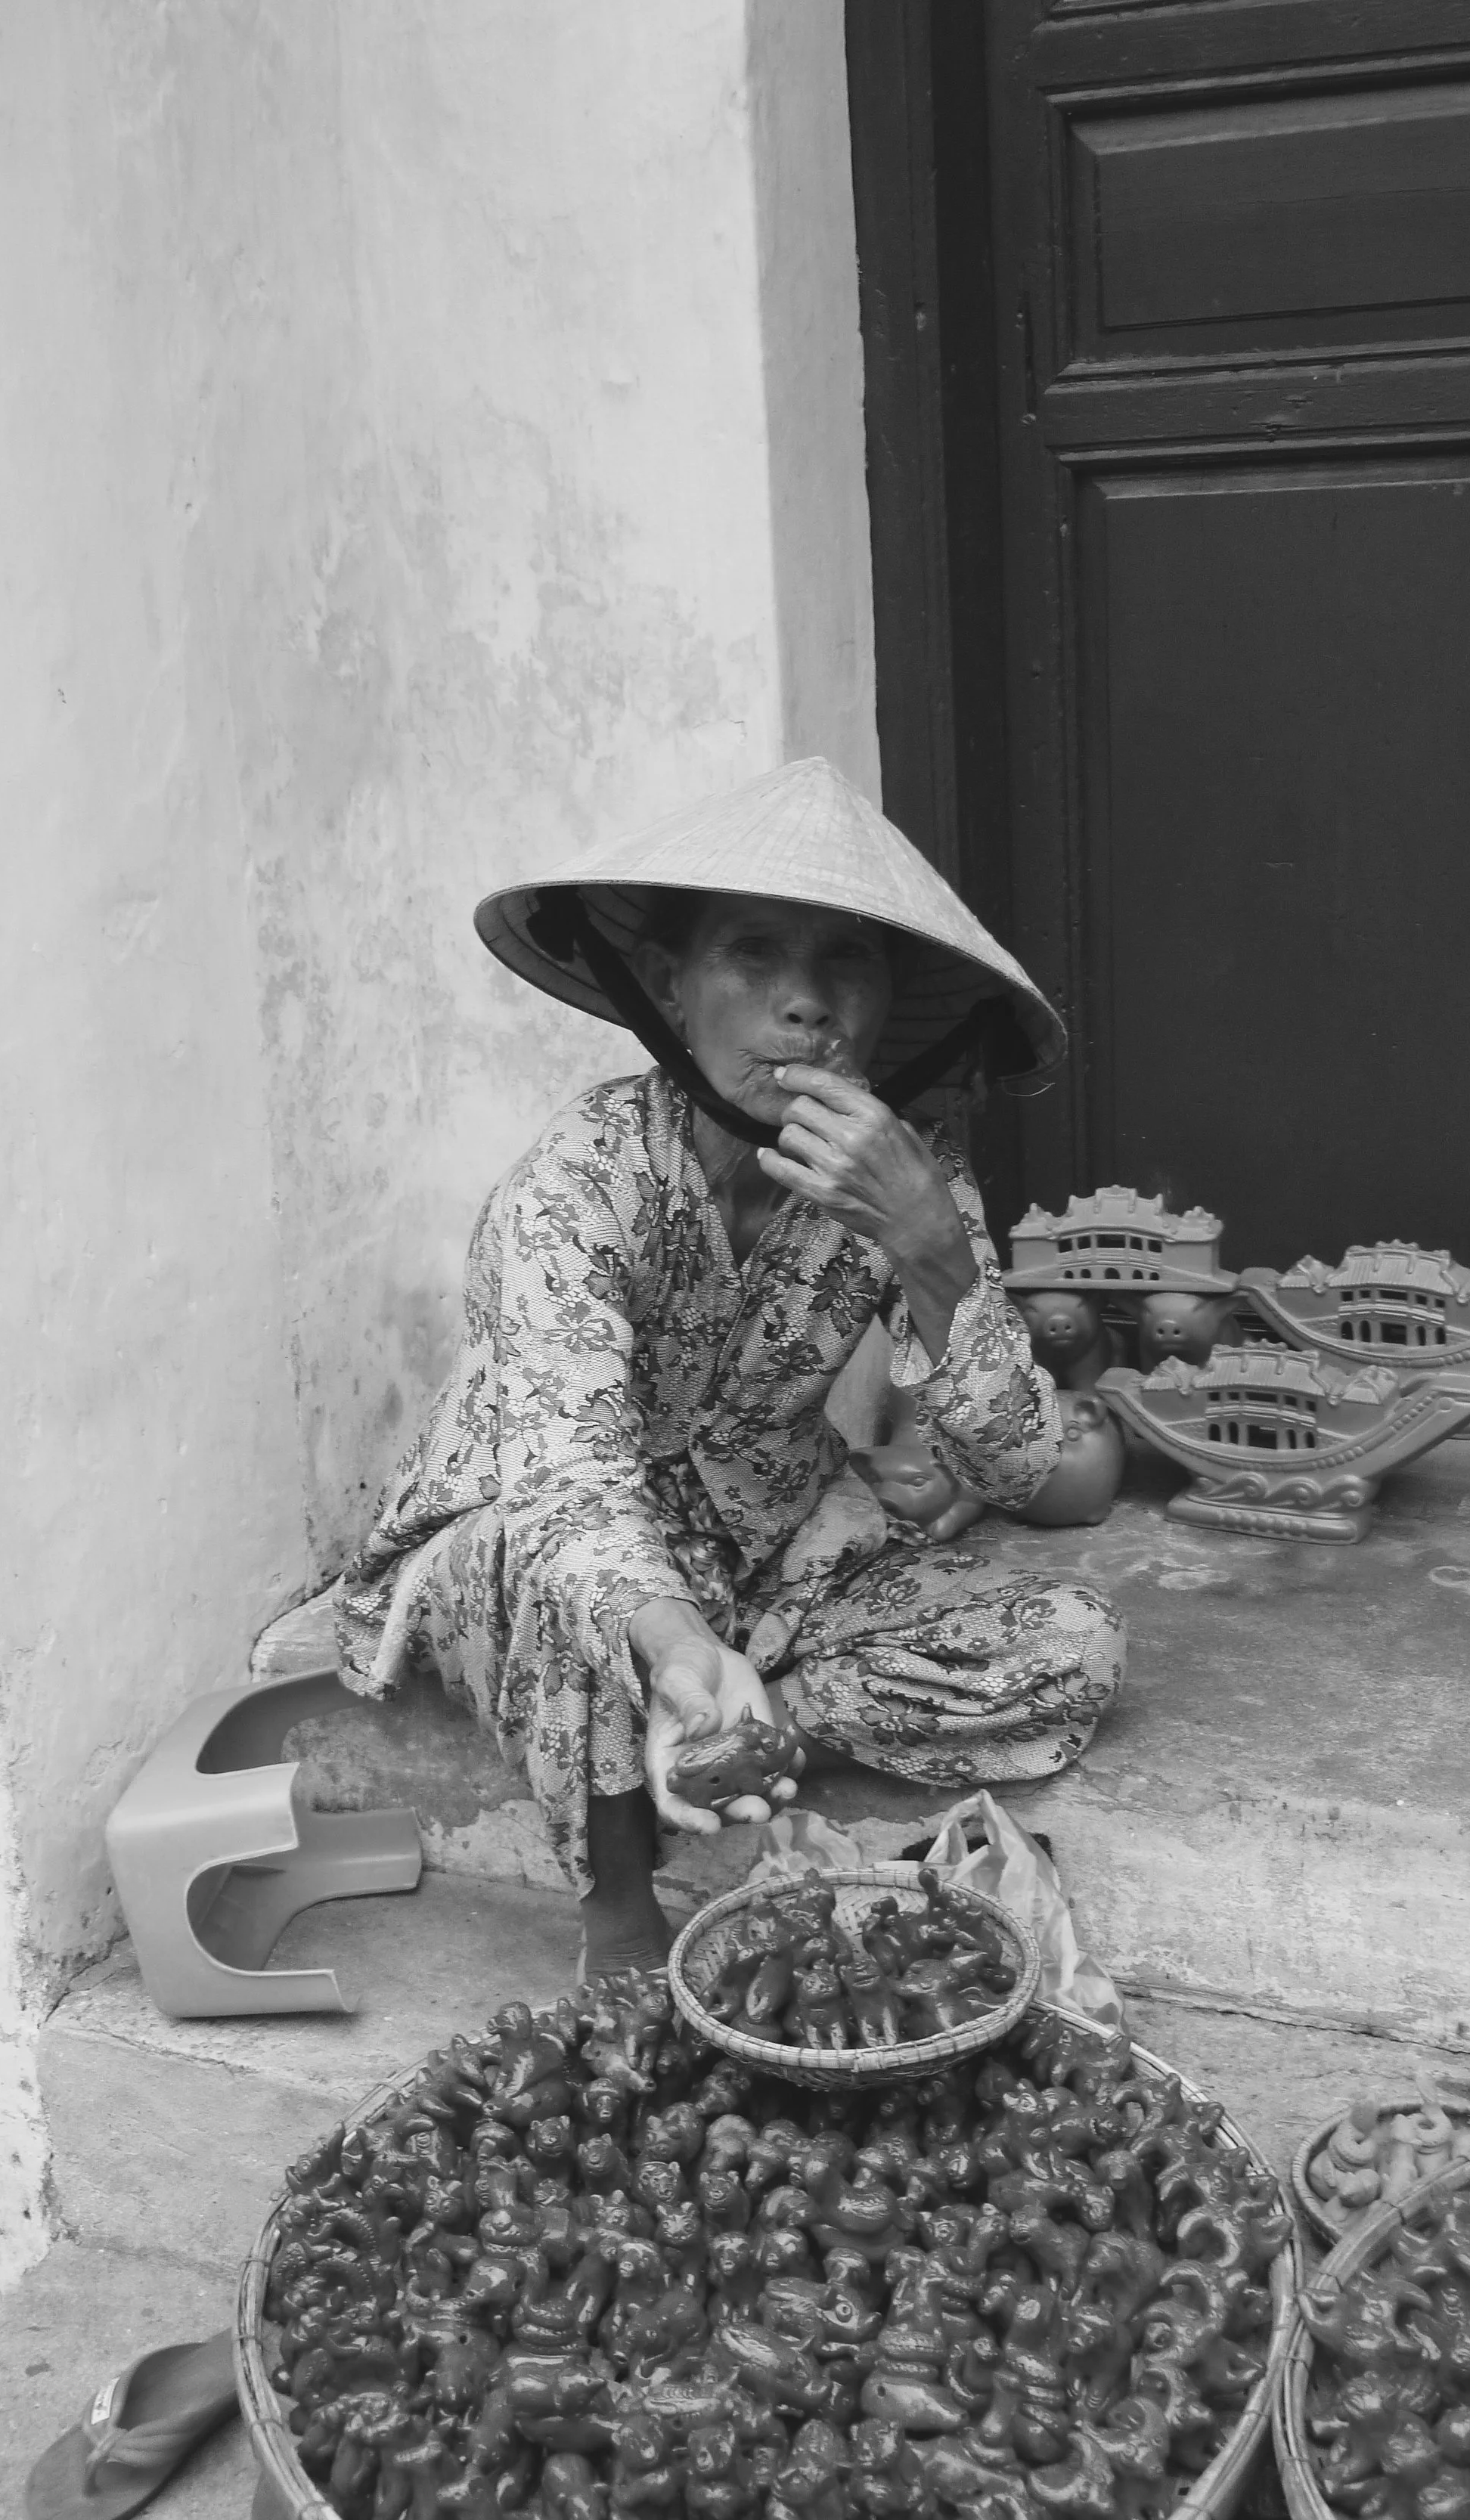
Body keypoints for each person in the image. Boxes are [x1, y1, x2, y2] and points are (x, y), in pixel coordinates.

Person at [336, 758, 1123, 1978]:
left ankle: (717, 1739)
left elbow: (1017, 1461)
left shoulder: (910, 1169)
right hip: (555, 1547)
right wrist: (674, 1648)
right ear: (670, 985)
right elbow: (570, 1485)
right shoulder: (579, 1182)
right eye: (755, 957)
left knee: (1072, 1644)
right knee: (552, 1570)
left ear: (885, 999)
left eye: (845, 965)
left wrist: (928, 1244)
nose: (806, 1007)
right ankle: (618, 1910)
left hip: (771, 1544)